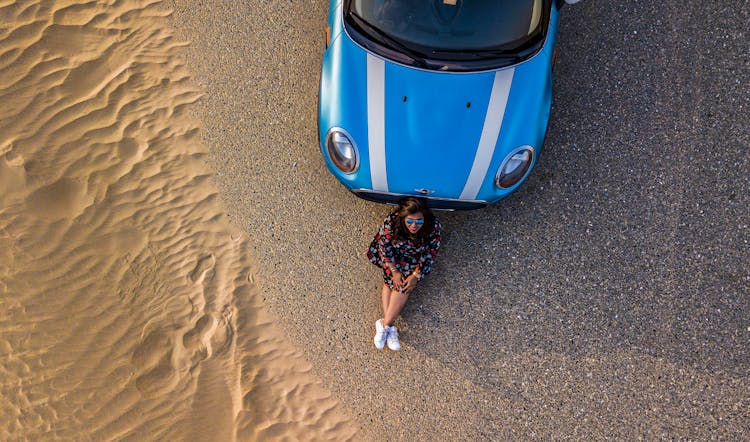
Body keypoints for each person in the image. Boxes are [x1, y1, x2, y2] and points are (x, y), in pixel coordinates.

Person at [366, 197, 442, 350]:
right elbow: (384, 247)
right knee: (392, 281)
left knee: (404, 285)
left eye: (419, 221)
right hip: (392, 256)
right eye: (410, 221)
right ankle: (389, 327)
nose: (414, 226)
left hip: (414, 259)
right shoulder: (391, 222)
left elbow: (431, 252)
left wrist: (416, 275)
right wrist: (394, 271)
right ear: (403, 218)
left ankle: (385, 325)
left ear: (424, 218)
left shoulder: (433, 227)